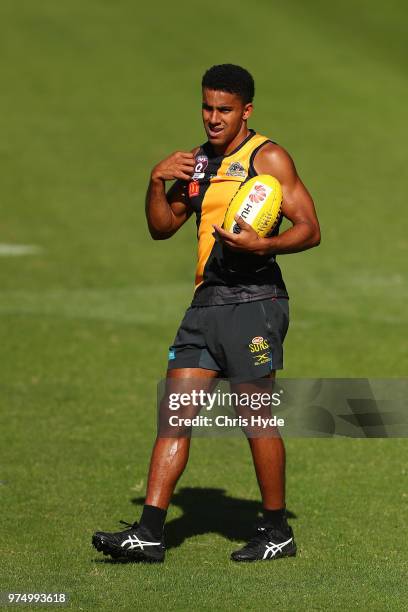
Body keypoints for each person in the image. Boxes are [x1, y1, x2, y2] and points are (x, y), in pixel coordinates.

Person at [92, 64, 320, 563]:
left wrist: (264, 244)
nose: (213, 118)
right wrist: (156, 181)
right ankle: (150, 532)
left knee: (255, 417)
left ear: (246, 111)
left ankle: (277, 530)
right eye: (207, 107)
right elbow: (163, 226)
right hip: (206, 301)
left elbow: (309, 227)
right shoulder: (195, 163)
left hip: (255, 302)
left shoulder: (269, 157)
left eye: (224, 109)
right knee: (174, 415)